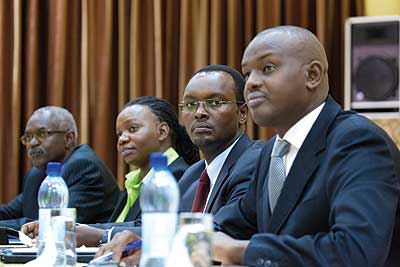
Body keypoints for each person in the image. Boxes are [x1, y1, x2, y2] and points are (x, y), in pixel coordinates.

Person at [212, 26, 400, 267]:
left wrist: (239, 252)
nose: (251, 84)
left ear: (312, 75)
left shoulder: (357, 140)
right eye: (247, 74)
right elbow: (232, 222)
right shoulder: (272, 151)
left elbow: (355, 251)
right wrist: (199, 236)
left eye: (267, 68)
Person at [94, 65, 264, 265]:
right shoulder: (194, 173)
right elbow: (165, 228)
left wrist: (148, 243)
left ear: (242, 113)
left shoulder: (254, 161)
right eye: (191, 105)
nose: (200, 113)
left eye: (214, 102)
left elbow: (222, 231)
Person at [22, 96, 200, 244]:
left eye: (132, 129)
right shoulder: (136, 179)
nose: (122, 139)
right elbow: (119, 225)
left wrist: (93, 233)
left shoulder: (177, 176)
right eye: (119, 134)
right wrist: (62, 226)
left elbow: (149, 229)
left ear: (162, 132)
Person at [0, 106, 120, 230]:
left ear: (69, 138)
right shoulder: (38, 173)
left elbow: (56, 223)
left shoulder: (84, 167)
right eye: (28, 137)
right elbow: (9, 212)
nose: (33, 143)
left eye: (42, 134)